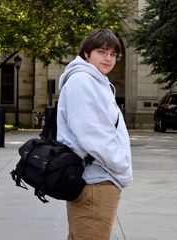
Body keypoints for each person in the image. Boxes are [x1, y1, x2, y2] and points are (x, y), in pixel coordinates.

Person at [57, 28, 133, 239]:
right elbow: (93, 136)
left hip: (96, 179)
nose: (108, 58)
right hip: (96, 182)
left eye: (113, 54)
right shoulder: (83, 81)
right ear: (87, 53)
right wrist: (122, 169)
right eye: (102, 51)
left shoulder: (94, 81)